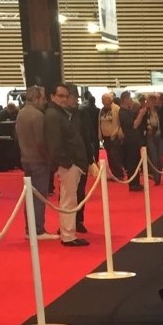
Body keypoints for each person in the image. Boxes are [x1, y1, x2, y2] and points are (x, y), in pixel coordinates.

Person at [44, 83, 90, 247]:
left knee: (69, 199)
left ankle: (68, 233)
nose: (64, 99)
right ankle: (68, 235)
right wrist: (67, 163)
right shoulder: (53, 115)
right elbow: (54, 143)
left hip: (71, 163)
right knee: (68, 200)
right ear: (52, 96)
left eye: (66, 96)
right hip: (68, 164)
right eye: (60, 96)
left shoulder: (58, 113)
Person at [15, 85, 56, 239]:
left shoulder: (21, 113)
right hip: (38, 160)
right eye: (43, 98)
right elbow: (40, 141)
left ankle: (30, 229)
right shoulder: (38, 115)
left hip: (25, 159)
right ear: (36, 98)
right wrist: (48, 158)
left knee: (29, 197)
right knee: (39, 197)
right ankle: (38, 229)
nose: (45, 102)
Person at [67, 84, 99, 234]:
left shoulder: (81, 113)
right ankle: (67, 222)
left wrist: (90, 158)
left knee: (79, 191)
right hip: (68, 159)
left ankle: (78, 220)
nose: (73, 100)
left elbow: (87, 136)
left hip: (82, 158)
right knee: (67, 194)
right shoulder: (59, 114)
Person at [98, 91, 124, 179]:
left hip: (114, 136)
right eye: (102, 100)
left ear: (109, 100)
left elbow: (119, 123)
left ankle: (119, 174)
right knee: (109, 156)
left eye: (104, 100)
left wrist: (116, 133)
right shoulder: (102, 110)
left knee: (115, 155)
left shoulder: (116, 108)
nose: (102, 101)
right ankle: (113, 173)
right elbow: (100, 123)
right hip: (105, 137)